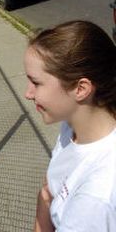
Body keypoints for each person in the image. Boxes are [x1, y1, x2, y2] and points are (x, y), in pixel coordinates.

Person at [23, 21, 116, 231]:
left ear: (81, 89)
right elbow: (48, 190)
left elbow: (47, 194)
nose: (27, 93)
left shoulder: (96, 200)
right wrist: (45, 198)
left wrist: (45, 200)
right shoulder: (72, 126)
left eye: (36, 83)